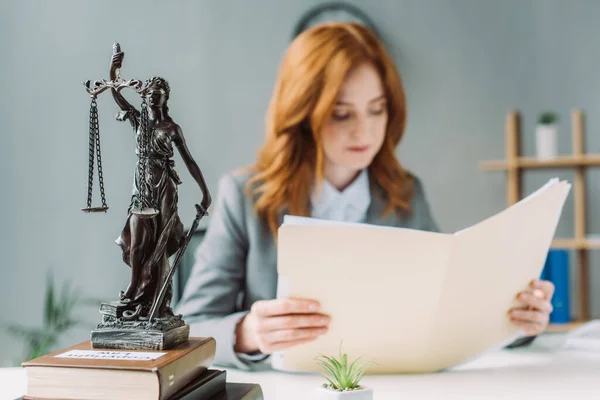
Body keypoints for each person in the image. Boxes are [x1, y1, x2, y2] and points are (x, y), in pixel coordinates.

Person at [176, 22, 554, 370]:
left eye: (377, 110)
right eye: (342, 114)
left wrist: (516, 321)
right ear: (303, 113)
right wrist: (249, 333)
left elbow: (445, 314)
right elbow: (190, 327)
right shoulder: (245, 196)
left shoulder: (405, 194)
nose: (365, 132)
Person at [109, 51, 212, 317]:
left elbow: (189, 161)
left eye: (159, 92)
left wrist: (205, 192)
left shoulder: (172, 128)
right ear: (144, 96)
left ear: (166, 97)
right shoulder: (137, 120)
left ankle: (158, 301)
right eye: (151, 92)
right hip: (141, 186)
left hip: (165, 187)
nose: (154, 96)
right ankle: (135, 285)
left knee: (160, 243)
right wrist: (114, 71)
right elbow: (117, 95)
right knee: (137, 240)